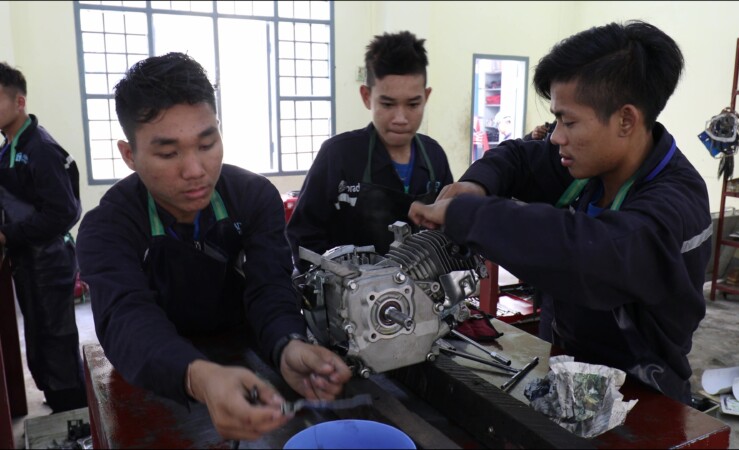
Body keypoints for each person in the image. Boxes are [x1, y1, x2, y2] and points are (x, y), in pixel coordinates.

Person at [409, 21, 711, 405]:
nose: (555, 137)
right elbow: (517, 157)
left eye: (568, 122)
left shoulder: (676, 203)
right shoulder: (587, 164)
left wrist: (470, 216)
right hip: (566, 369)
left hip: (641, 395)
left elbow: (593, 254)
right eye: (555, 121)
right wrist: (477, 185)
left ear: (626, 120)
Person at [76, 52, 351, 440]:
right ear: (129, 155)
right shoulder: (108, 227)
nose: (194, 170)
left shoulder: (254, 198)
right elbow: (125, 317)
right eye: (168, 153)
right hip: (154, 367)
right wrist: (199, 377)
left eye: (207, 143)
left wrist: (287, 344)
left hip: (245, 353)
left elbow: (270, 285)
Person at [286, 31, 453, 271]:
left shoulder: (434, 156)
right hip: (353, 303)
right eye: (387, 104)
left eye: (413, 104)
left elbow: (449, 236)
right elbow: (302, 238)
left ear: (426, 97)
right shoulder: (338, 156)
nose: (400, 118)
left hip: (427, 300)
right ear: (367, 97)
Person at [0, 62, 87, 413]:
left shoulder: (40, 148)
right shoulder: (8, 149)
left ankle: (75, 414)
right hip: (29, 259)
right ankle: (58, 403)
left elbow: (64, 212)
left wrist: (7, 236)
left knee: (57, 339)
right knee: (38, 337)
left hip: (48, 260)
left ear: (19, 101)